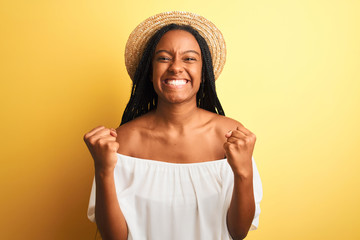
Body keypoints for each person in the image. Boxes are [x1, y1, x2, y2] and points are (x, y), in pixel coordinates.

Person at [84, 11, 263, 240]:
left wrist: (244, 172)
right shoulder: (120, 142)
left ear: (203, 73)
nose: (176, 67)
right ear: (150, 72)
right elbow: (114, 238)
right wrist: (103, 169)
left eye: (189, 58)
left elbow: (238, 232)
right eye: (164, 58)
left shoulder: (231, 138)